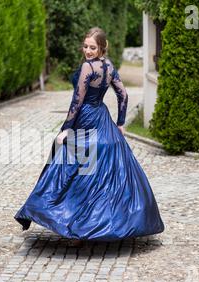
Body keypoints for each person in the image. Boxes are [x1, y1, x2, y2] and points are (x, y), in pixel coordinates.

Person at [14, 27, 164, 246]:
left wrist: (66, 129)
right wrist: (120, 123)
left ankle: (77, 230)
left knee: (74, 169)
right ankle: (112, 224)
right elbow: (123, 94)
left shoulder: (87, 68)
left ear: (102, 47)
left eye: (92, 47)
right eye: (85, 46)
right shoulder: (110, 66)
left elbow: (77, 101)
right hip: (102, 118)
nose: (88, 51)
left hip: (85, 118)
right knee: (100, 172)